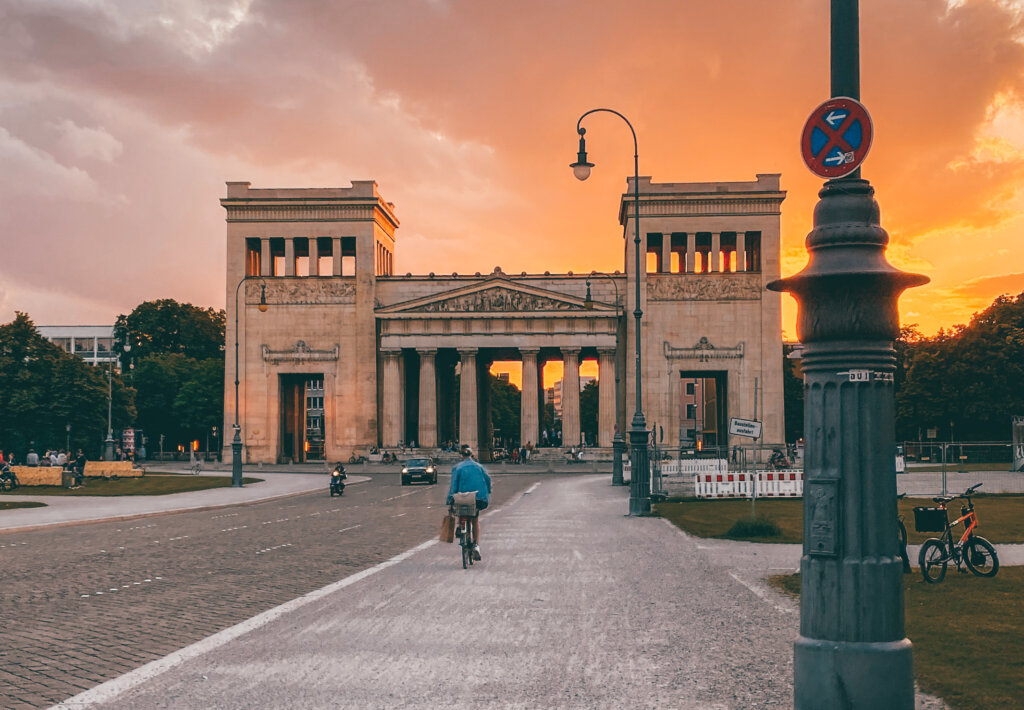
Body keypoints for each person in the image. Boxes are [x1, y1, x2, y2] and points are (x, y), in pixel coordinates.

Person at [446, 445, 491, 561]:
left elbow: (454, 485)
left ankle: (460, 526)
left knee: (460, 508)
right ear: (471, 455)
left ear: (461, 455)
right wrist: (488, 492)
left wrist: (449, 500)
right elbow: (488, 480)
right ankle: (476, 545)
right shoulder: (479, 467)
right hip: (478, 497)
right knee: (475, 520)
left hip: (462, 497)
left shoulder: (457, 468)